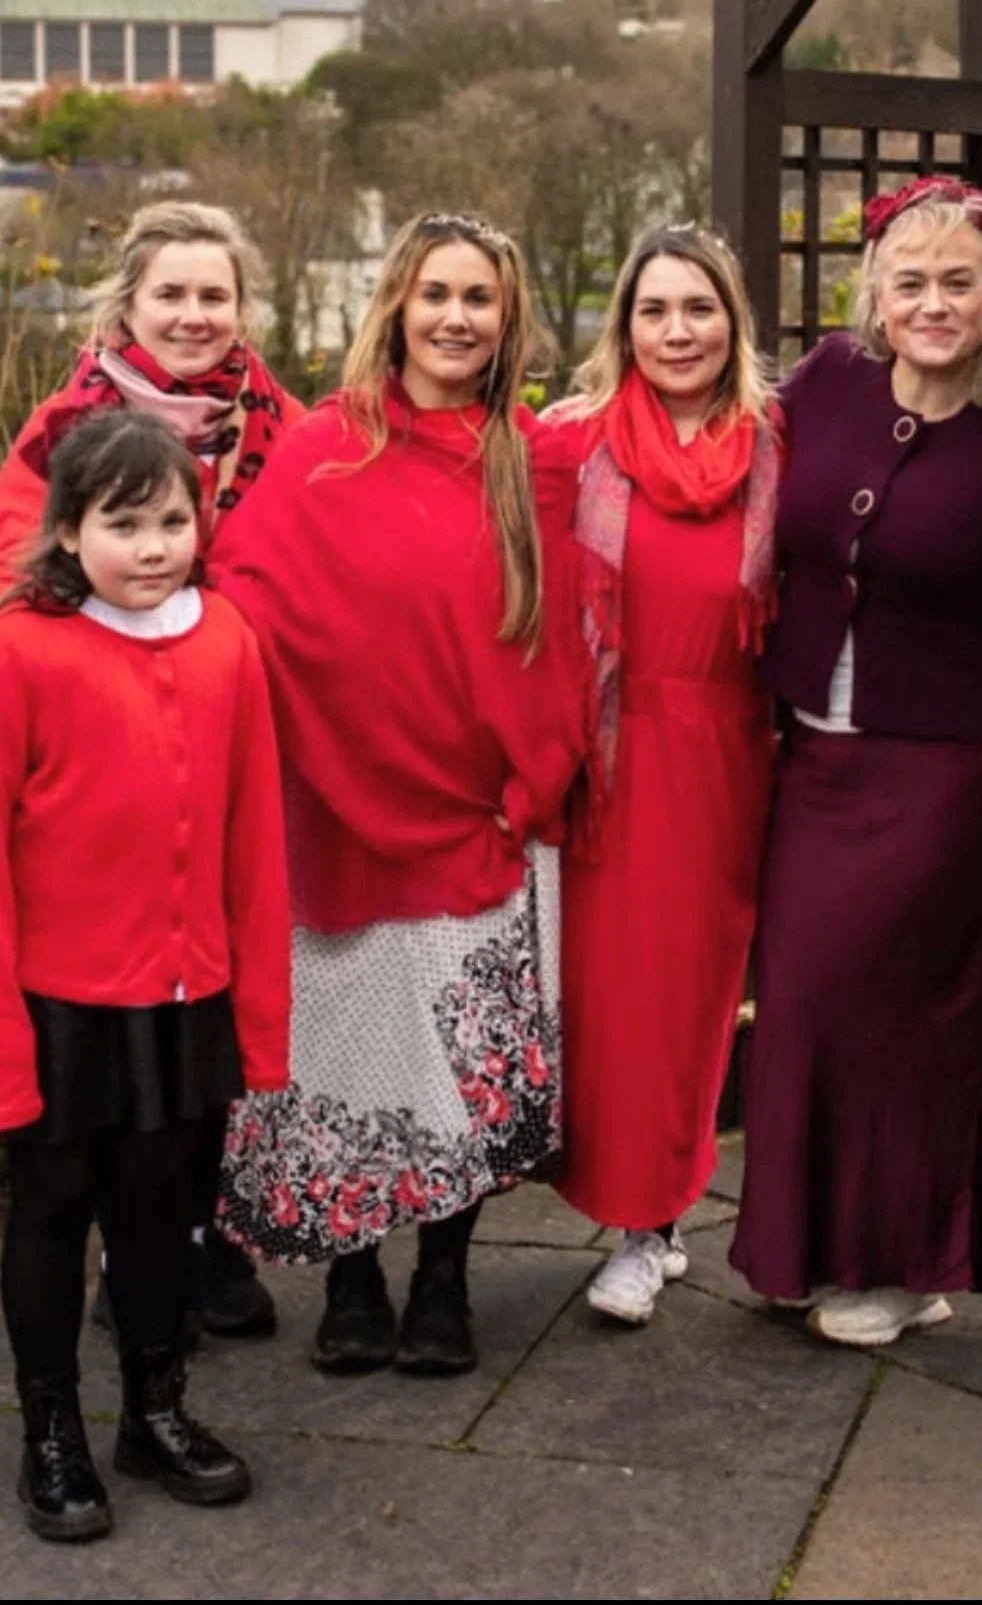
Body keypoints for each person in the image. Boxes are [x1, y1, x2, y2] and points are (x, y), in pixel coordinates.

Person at [211, 210, 585, 1377]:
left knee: (456, 1064)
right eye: (436, 295)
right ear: (398, 304)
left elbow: (559, 635)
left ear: (506, 319)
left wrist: (535, 778)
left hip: (478, 812)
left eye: (478, 298)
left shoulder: (530, 457)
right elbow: (247, 597)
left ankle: (442, 1277)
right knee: (344, 1061)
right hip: (337, 807)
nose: (455, 318)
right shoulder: (328, 446)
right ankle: (354, 1276)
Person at [731, 175, 982, 1346]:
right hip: (811, 760)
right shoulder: (824, 383)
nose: (932, 303)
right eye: (909, 281)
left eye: (957, 283)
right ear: (872, 291)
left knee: (908, 1023)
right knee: (807, 1002)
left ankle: (903, 1261)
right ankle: (798, 1244)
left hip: (946, 766)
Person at [0, 200, 304, 1343]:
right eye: (169, 293)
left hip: (236, 729)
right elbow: (17, 575)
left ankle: (201, 1236)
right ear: (125, 302)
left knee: (206, 1020)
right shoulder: (57, 432)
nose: (191, 314)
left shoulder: (284, 425)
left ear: (242, 308)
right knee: (83, 1109)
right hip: (99, 756)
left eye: (213, 294)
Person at [0, 410, 290, 1543]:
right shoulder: (21, 648)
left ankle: (155, 1407)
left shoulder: (227, 639)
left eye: (174, 517)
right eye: (124, 524)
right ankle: (53, 1429)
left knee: (164, 1210)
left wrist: (256, 1016)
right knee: (53, 1214)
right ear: (69, 532)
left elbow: (252, 840)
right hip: (59, 1003)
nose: (155, 544)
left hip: (185, 997)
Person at [543, 224, 779, 1325]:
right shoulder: (571, 443)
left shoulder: (778, 446)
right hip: (598, 754)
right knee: (601, 1003)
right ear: (623, 324)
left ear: (731, 320)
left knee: (685, 1003)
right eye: (654, 310)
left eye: (698, 308)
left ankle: (655, 1220)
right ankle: (631, 1212)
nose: (676, 330)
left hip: (723, 753)